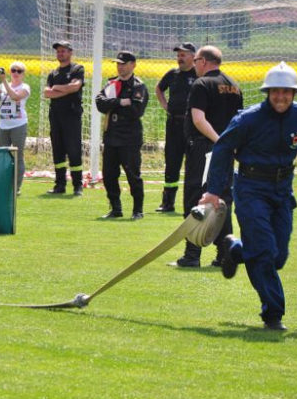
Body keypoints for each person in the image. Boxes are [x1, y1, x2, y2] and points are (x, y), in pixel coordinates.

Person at [200, 62, 297, 331]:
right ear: (267, 92)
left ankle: (236, 249)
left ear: (294, 93)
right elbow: (224, 148)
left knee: (278, 257)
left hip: (283, 190)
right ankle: (273, 314)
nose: (281, 97)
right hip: (251, 189)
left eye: (286, 92)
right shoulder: (248, 119)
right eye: (275, 92)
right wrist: (214, 190)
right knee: (263, 252)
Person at [174, 45, 242, 267]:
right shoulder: (234, 86)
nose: (193, 66)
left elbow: (199, 120)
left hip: (205, 149)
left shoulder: (201, 84)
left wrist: (218, 141)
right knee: (222, 201)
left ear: (203, 61)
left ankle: (192, 255)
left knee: (196, 199)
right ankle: (224, 254)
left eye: (195, 61)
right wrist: (229, 145)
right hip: (226, 151)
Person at [95, 51, 149, 219]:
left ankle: (137, 210)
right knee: (109, 174)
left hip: (130, 137)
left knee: (133, 175)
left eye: (123, 63)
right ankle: (115, 208)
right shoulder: (112, 83)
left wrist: (114, 105)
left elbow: (135, 110)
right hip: (112, 136)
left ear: (133, 65)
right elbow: (100, 103)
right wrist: (119, 102)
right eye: (118, 64)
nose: (120, 67)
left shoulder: (138, 86)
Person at [154, 42, 197, 213]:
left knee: (193, 164)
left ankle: (193, 201)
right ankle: (167, 202)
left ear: (193, 56)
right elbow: (159, 88)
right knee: (172, 162)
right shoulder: (173, 74)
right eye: (178, 55)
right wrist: (165, 105)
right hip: (173, 124)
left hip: (192, 125)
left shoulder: (199, 75)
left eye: (183, 55)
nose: (180, 58)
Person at [44, 40, 84, 196]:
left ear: (70, 52)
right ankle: (59, 185)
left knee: (74, 151)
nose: (60, 53)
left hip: (72, 116)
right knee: (58, 151)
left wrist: (58, 88)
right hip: (55, 116)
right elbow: (47, 93)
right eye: (58, 51)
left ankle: (77, 185)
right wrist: (66, 89)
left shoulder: (77, 69)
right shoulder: (53, 73)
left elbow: (75, 87)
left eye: (63, 51)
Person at [0, 61, 30, 195]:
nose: (16, 73)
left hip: (18, 125)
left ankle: (17, 187)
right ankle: (3, 184)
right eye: (13, 70)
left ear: (23, 74)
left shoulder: (25, 87)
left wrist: (4, 82)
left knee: (18, 156)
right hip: (3, 125)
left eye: (19, 71)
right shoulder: (2, 85)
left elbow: (15, 97)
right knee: (2, 156)